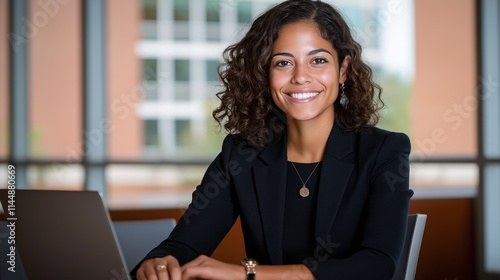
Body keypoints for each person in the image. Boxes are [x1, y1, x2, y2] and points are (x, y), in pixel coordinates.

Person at [134, 0, 413, 279]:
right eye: (283, 63)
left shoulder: (384, 152)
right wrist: (158, 263)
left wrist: (248, 274)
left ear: (343, 69)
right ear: (265, 74)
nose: (300, 77)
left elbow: (377, 265)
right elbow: (183, 245)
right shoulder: (241, 155)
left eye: (318, 60)